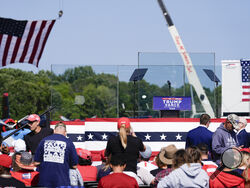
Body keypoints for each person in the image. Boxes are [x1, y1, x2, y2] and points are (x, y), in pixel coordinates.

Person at [34, 121, 78, 187]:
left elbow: (36, 162)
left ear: (54, 131)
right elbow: (74, 166)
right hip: (62, 181)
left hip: (44, 181)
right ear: (65, 133)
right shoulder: (69, 143)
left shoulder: (43, 141)